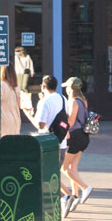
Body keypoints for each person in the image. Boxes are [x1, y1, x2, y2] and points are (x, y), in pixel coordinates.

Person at [23, 75, 73, 209]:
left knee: (43, 176)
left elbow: (40, 124)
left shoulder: (44, 102)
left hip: (47, 145)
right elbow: (66, 118)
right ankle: (63, 199)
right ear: (56, 87)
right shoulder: (63, 99)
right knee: (51, 175)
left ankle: (65, 198)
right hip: (61, 144)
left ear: (43, 87)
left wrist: (28, 115)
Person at [60, 77, 94, 217]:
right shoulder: (83, 100)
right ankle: (75, 195)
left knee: (63, 168)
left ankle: (85, 187)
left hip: (75, 136)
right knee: (73, 168)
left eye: (67, 87)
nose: (66, 89)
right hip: (84, 137)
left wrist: (60, 121)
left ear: (70, 89)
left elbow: (70, 122)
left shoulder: (73, 102)